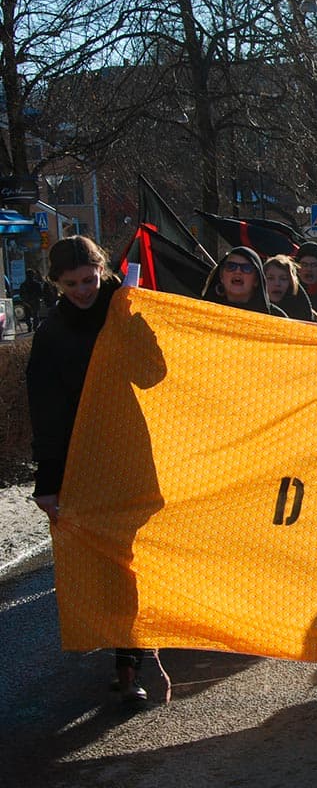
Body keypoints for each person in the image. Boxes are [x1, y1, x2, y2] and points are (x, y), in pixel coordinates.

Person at [26, 236, 152, 703]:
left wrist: (134, 326)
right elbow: (48, 410)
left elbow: (155, 374)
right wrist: (48, 481)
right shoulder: (52, 334)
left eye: (90, 278)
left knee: (129, 559)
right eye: (71, 283)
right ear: (56, 283)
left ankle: (130, 660)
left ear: (102, 269)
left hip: (132, 452)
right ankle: (124, 644)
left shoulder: (126, 308)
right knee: (101, 562)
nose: (83, 289)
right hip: (83, 461)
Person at [201, 246, 286, 316]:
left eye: (246, 268)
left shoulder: (277, 317)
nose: (237, 271)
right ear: (221, 276)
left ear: (256, 280)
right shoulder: (202, 312)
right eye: (231, 266)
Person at [263, 255, 317, 322]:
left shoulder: (309, 316)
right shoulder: (251, 309)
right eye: (270, 278)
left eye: (283, 279)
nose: (277, 283)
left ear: (291, 283)